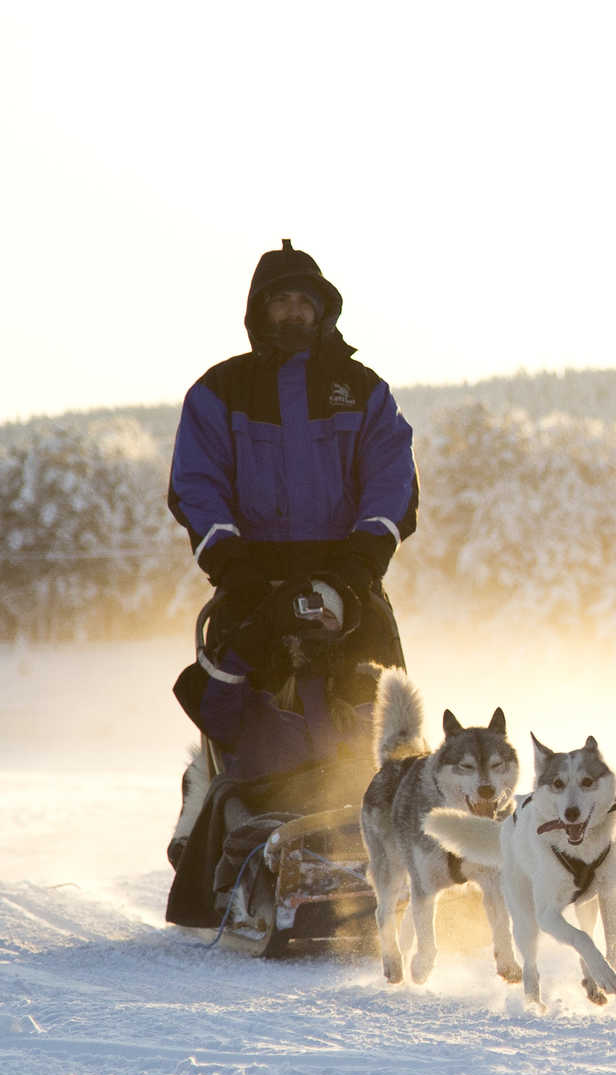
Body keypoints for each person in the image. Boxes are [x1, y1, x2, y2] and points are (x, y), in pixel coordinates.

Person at [167, 239, 418, 781]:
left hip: (349, 580)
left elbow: (392, 479)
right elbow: (196, 484)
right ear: (259, 310)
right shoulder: (219, 391)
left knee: (381, 719)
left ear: (323, 310)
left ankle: (383, 800)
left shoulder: (364, 390)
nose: (293, 312)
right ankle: (239, 801)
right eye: (281, 300)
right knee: (237, 713)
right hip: (249, 584)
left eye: (305, 301)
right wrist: (233, 568)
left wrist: (361, 564)